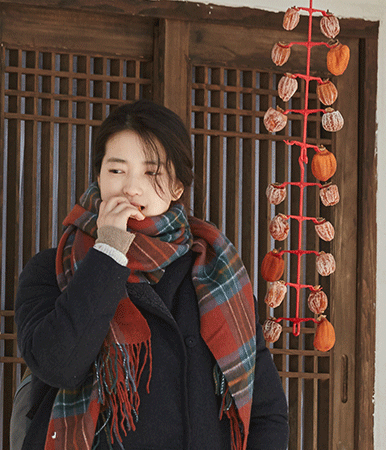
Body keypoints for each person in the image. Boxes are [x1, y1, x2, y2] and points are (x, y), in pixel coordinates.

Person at [15, 99, 289, 450]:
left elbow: (266, 410)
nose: (131, 187)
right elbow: (59, 365)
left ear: (177, 186)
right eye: (116, 170)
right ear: (98, 176)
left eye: (151, 172)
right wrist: (110, 249)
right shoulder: (53, 268)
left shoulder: (217, 275)